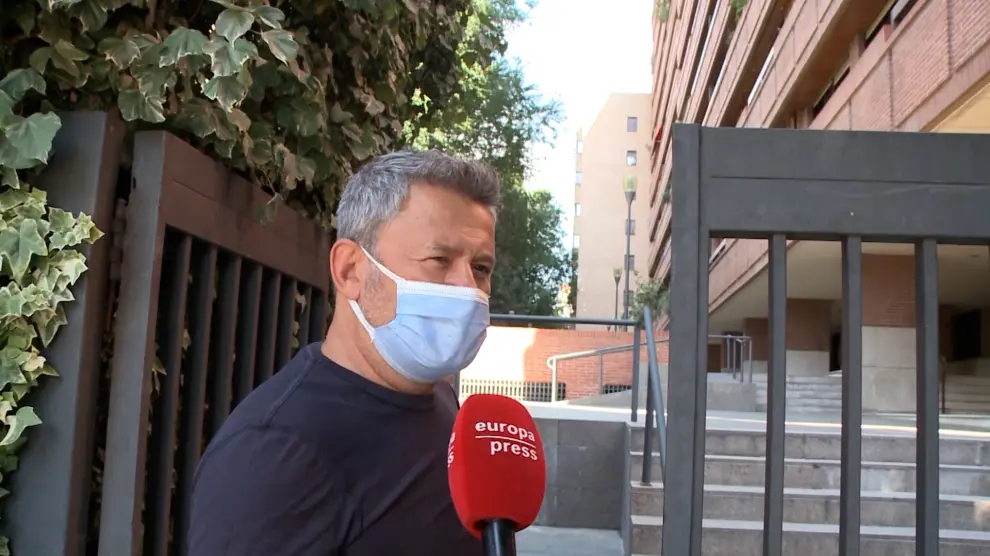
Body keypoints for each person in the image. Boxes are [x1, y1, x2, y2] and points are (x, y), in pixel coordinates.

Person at [186, 150, 499, 555]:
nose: (468, 287)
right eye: (439, 260)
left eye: (481, 268)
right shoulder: (274, 453)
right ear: (351, 270)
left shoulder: (440, 398)